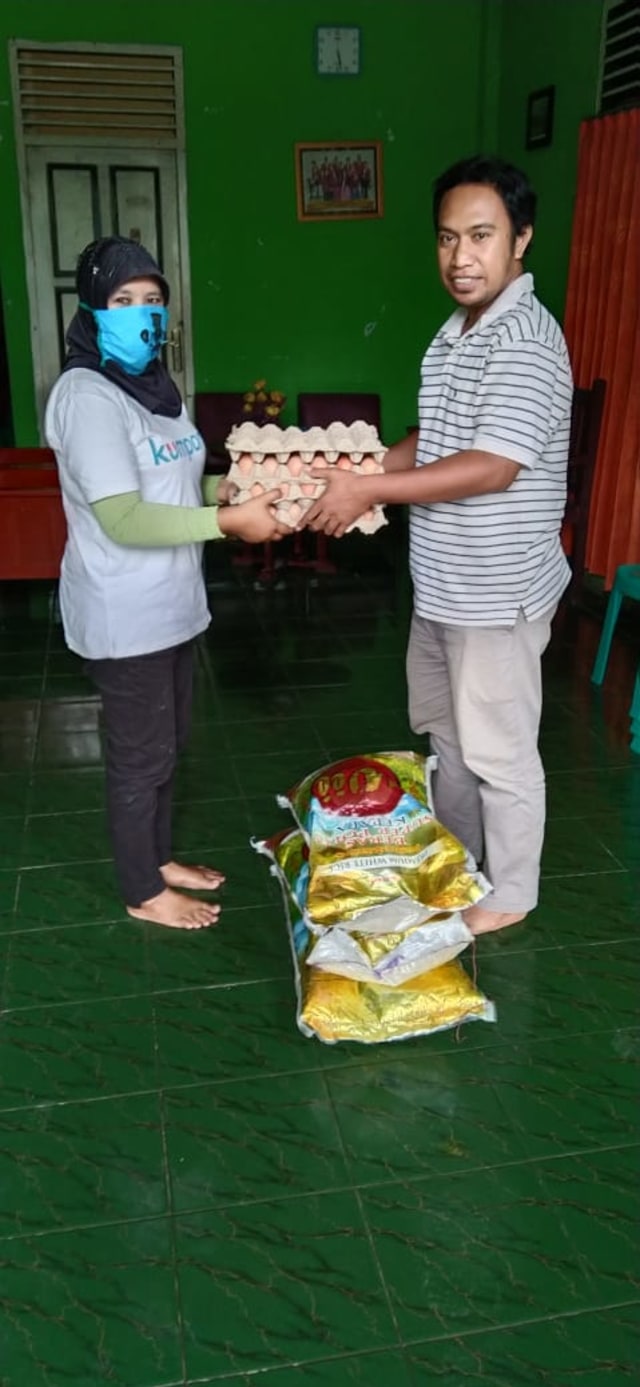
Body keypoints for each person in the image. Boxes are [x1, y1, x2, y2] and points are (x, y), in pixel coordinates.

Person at [304, 155, 573, 936]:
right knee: (448, 742)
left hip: (497, 591)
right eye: (448, 238)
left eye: (481, 236)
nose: (461, 257)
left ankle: (512, 891)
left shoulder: (525, 337)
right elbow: (443, 439)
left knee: (498, 749)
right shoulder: (457, 331)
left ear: (521, 239)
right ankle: (460, 859)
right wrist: (366, 465)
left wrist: (369, 493)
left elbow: (493, 465)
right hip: (445, 584)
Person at [45, 236, 286, 931]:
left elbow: (177, 479)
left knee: (167, 744)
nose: (141, 314)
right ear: (93, 308)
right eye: (123, 301)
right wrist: (229, 520)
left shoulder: (157, 386)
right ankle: (141, 889)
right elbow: (123, 515)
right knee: (141, 754)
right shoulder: (87, 395)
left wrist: (230, 485)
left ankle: (155, 859)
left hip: (172, 605)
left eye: (153, 301)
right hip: (124, 610)